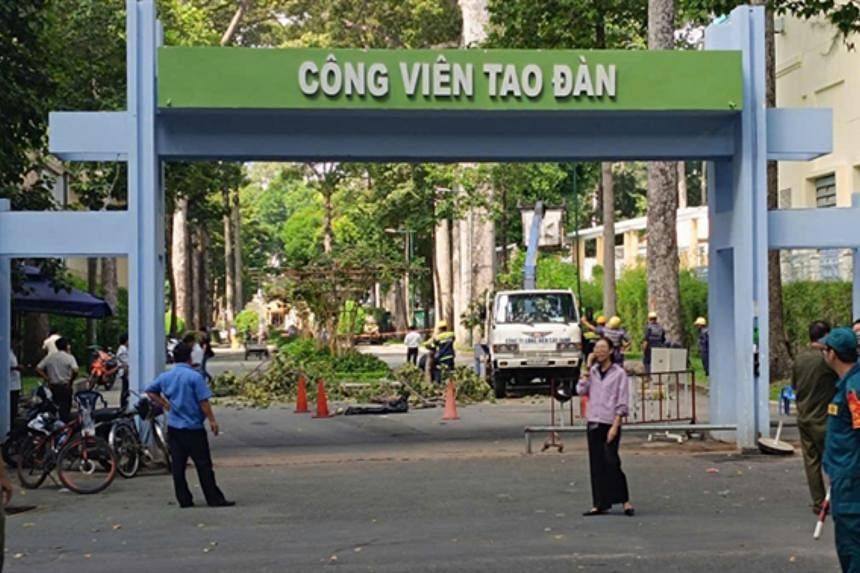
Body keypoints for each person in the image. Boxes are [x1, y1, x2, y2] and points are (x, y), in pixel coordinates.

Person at [145, 342, 233, 509]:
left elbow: (150, 390)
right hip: (193, 428)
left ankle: (184, 499)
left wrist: (164, 403)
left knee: (178, 466)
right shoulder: (195, 377)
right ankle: (213, 498)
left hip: (174, 427)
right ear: (190, 357)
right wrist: (212, 420)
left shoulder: (166, 377)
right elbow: (203, 401)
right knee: (203, 465)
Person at [576, 337, 635, 517]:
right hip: (594, 420)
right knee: (596, 463)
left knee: (612, 461)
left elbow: (622, 400)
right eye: (597, 348)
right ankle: (600, 503)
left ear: (610, 351)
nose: (599, 351)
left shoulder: (619, 373)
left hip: (610, 422)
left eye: (603, 348)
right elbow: (580, 390)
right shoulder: (592, 371)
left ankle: (625, 500)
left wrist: (615, 425)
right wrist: (586, 370)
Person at [820, 327, 860, 572]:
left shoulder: (853, 390)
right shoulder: (848, 385)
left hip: (853, 485)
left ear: (833, 354)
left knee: (852, 550)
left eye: (825, 349)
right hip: (844, 480)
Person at [792, 320, 838, 513]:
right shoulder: (826, 360)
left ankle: (819, 503)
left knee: (811, 462)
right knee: (837, 460)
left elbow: (794, 385)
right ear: (825, 336)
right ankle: (843, 499)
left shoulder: (800, 359)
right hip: (824, 419)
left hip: (804, 417)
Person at [35, 337, 78, 420]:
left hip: (53, 386)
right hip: (65, 386)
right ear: (66, 346)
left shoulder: (50, 357)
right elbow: (75, 370)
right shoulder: (69, 357)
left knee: (54, 407)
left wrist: (48, 378)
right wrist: (71, 381)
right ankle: (64, 424)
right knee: (65, 408)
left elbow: (38, 368)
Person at [9, 336, 22, 421]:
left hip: (15, 383)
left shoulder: (12, 353)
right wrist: (15, 367)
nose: (18, 345)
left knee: (14, 406)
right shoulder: (5, 352)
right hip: (10, 384)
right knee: (11, 405)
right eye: (17, 342)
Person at [116, 333, 130, 409]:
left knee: (125, 390)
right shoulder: (123, 349)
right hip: (125, 372)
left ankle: (124, 405)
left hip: (125, 372)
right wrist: (127, 374)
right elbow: (126, 363)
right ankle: (123, 406)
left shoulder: (124, 348)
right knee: (125, 390)